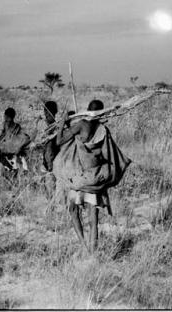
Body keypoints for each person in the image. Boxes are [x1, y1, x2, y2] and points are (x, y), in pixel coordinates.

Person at [55, 100, 110, 253]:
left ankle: (84, 247)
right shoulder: (103, 129)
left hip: (79, 178)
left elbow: (59, 141)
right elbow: (107, 155)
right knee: (93, 219)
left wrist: (62, 124)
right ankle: (93, 253)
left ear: (87, 111)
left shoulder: (80, 125)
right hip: (95, 177)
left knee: (73, 211)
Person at [0, 108, 30, 181]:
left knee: (15, 167)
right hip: (5, 148)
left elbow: (20, 139)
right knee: (5, 166)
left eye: (8, 118)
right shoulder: (4, 125)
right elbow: (1, 135)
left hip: (13, 150)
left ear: (12, 117)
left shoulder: (17, 127)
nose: (6, 120)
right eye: (5, 118)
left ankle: (14, 179)